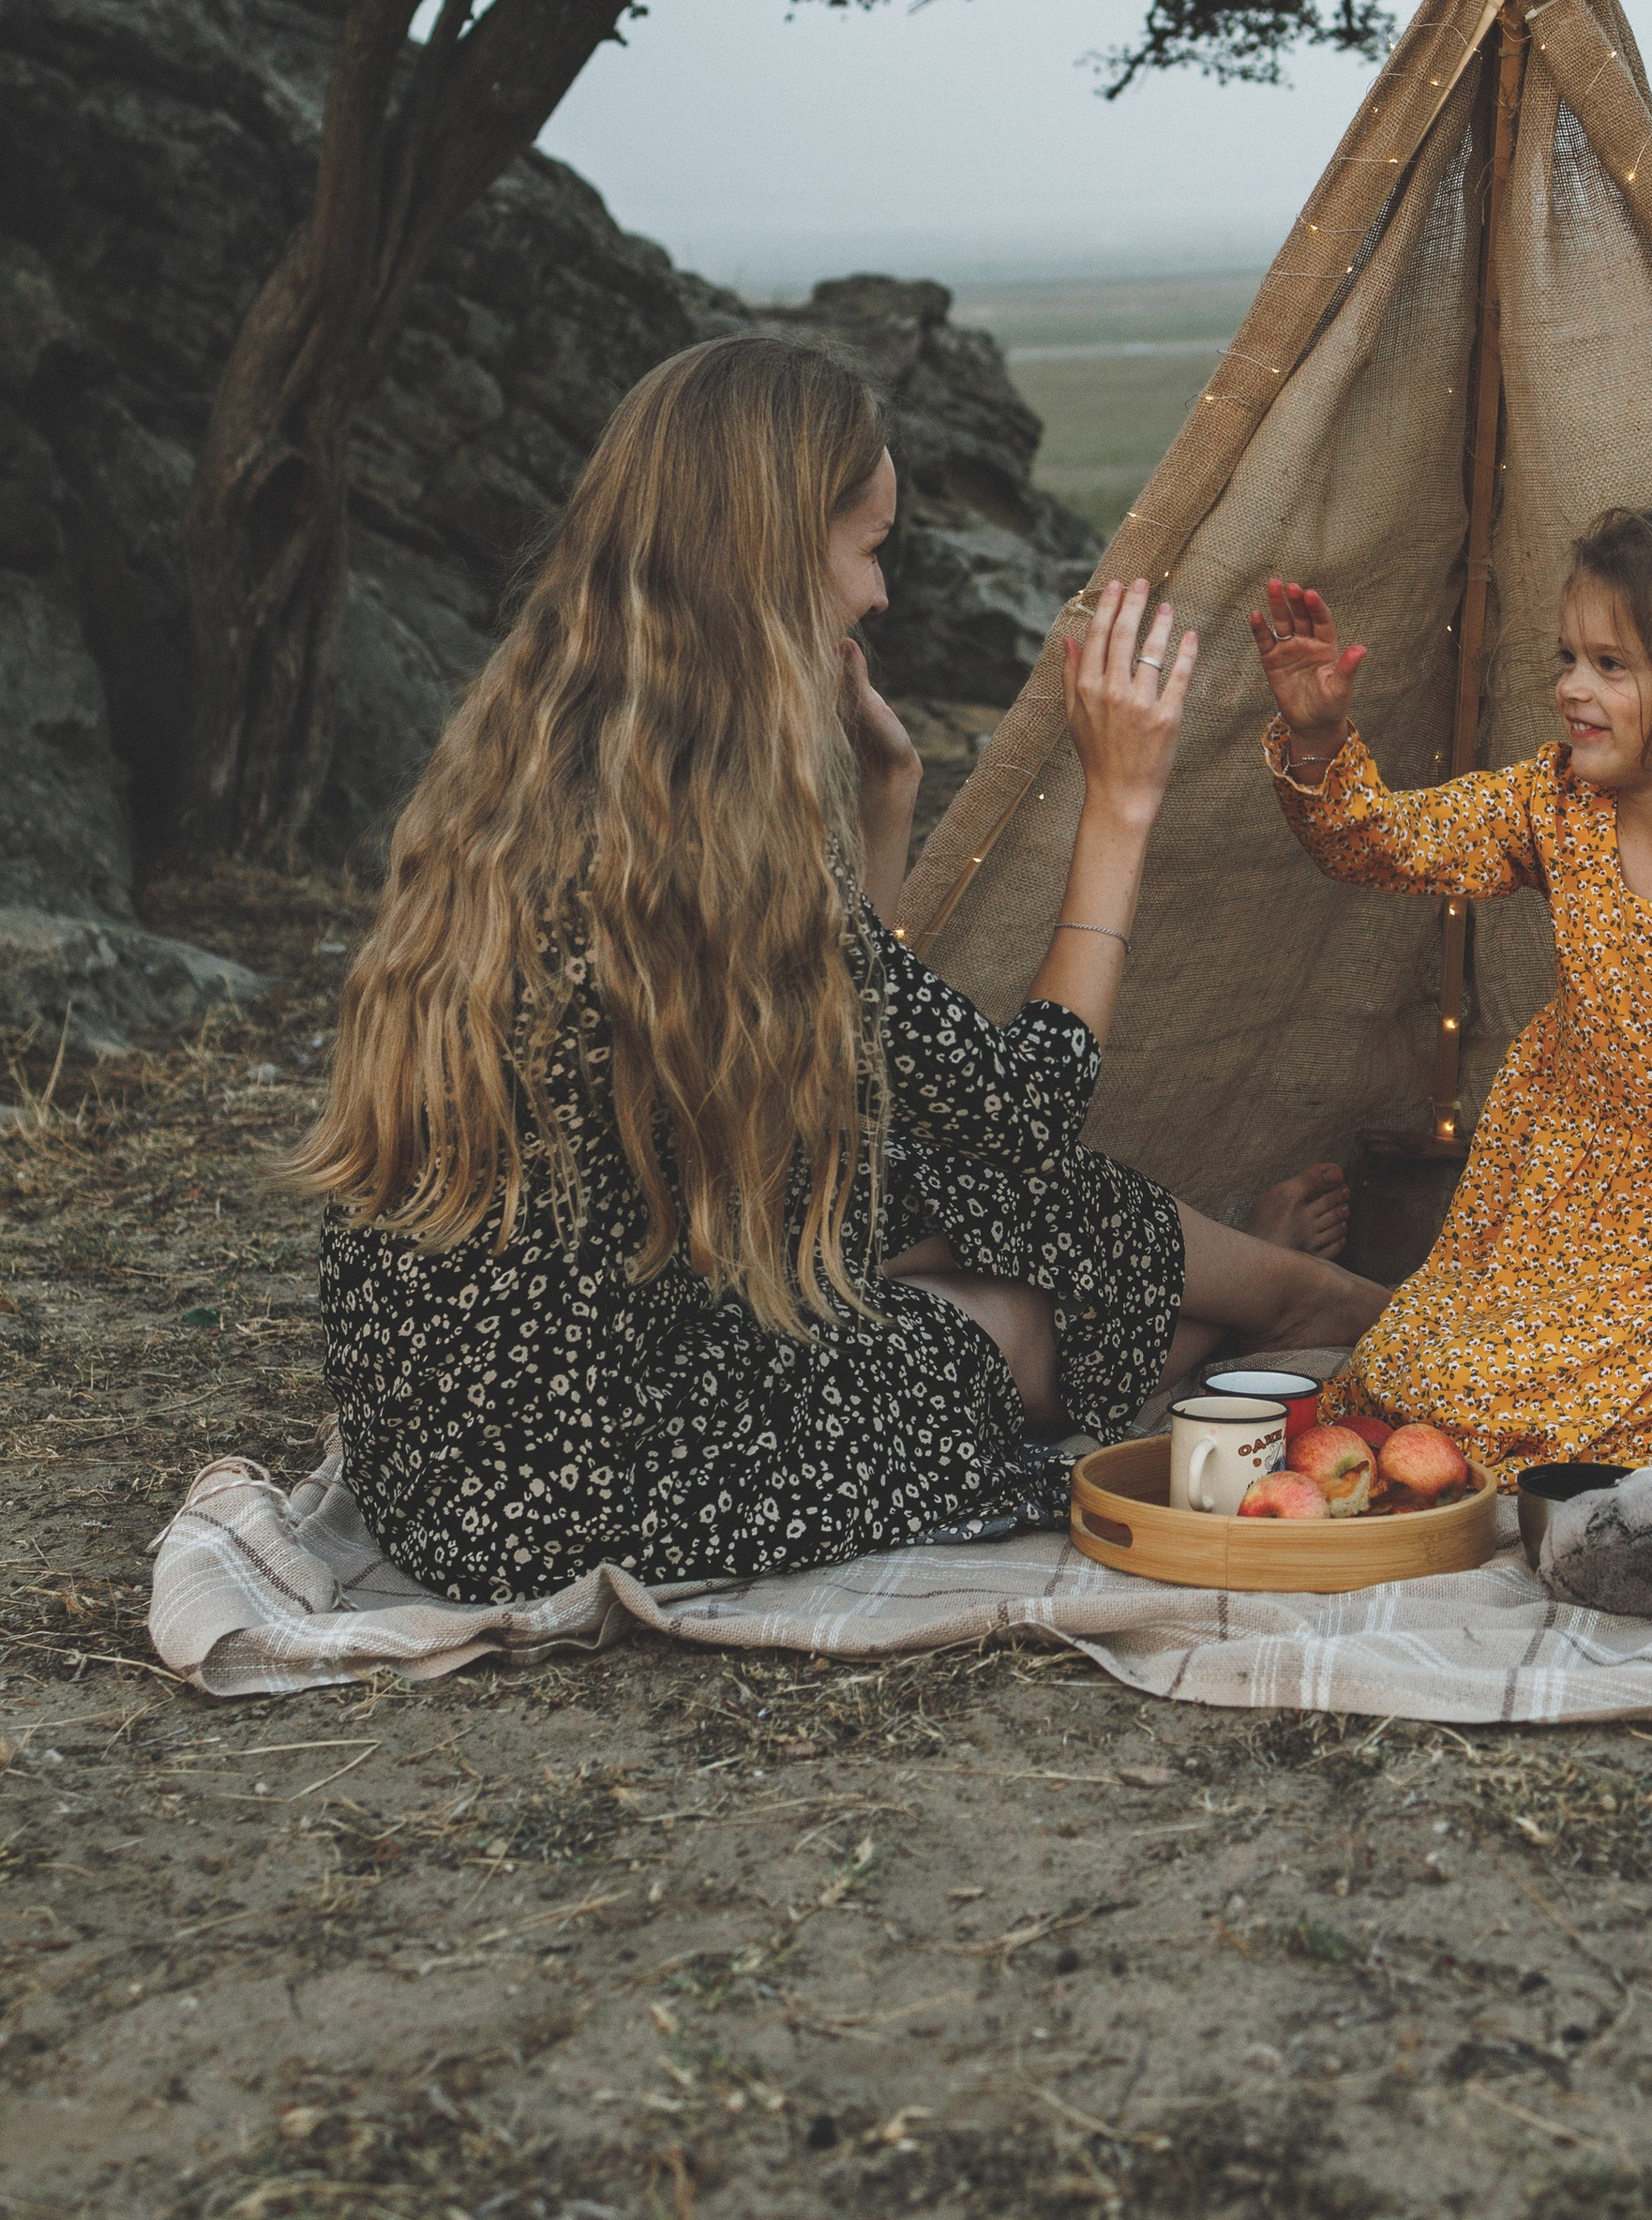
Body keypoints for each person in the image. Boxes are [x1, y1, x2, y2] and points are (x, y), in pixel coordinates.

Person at [300, 335, 1379, 1605]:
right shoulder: (703, 843)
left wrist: (888, 802)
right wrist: (1121, 805)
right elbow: (1027, 1111)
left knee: (939, 1190)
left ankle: (1286, 1295)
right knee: (1011, 1311)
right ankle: (1302, 1308)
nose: (876, 596)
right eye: (868, 549)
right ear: (771, 553)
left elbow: (834, 1062)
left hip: (448, 1460)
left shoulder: (536, 758)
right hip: (595, 1479)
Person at [1251, 504, 1652, 1481]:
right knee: (1417, 1385)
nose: (1569, 689)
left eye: (1610, 664)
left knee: (1570, 1426)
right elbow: (1376, 843)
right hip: (1552, 1219)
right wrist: (1319, 735)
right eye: (1568, 657)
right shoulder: (1555, 805)